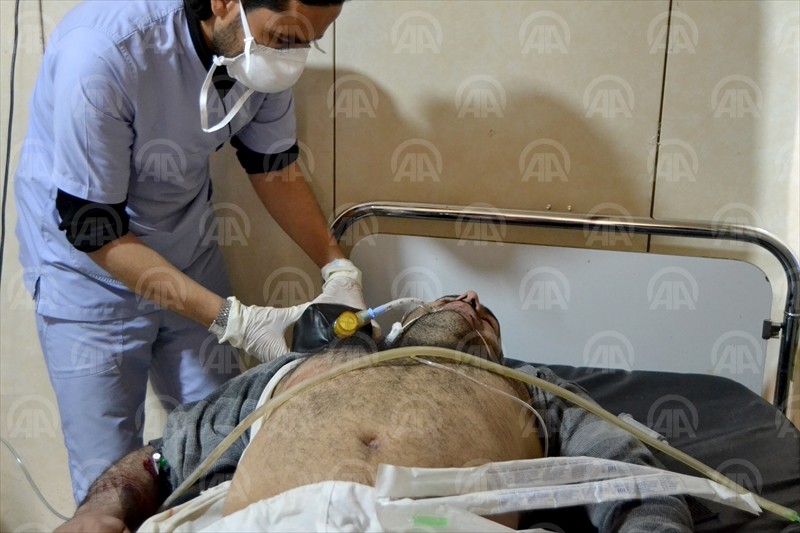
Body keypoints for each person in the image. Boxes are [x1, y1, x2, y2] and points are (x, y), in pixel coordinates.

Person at [13, 0, 361, 504]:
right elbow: (94, 231)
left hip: (187, 251)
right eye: (285, 39)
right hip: (88, 277)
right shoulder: (101, 55)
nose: (293, 58)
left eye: (309, 41)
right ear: (223, 4)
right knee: (110, 482)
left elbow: (272, 166)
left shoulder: (257, 61)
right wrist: (233, 321)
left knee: (220, 446)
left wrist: (337, 265)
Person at [54, 291, 693, 532]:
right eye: (453, 296)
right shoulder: (296, 371)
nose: (471, 299)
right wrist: (101, 510)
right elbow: (165, 457)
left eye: (486, 315)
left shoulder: (529, 386)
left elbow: (631, 477)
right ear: (401, 319)